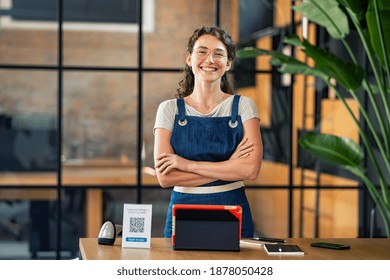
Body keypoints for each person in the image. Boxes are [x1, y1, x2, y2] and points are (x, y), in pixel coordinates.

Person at [153, 26, 263, 238]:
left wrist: (187, 165)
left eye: (219, 54)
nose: (210, 60)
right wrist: (230, 166)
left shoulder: (244, 107)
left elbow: (250, 170)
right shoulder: (169, 109)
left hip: (233, 209)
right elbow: (165, 178)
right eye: (202, 51)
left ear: (228, 63)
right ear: (189, 58)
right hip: (182, 211)